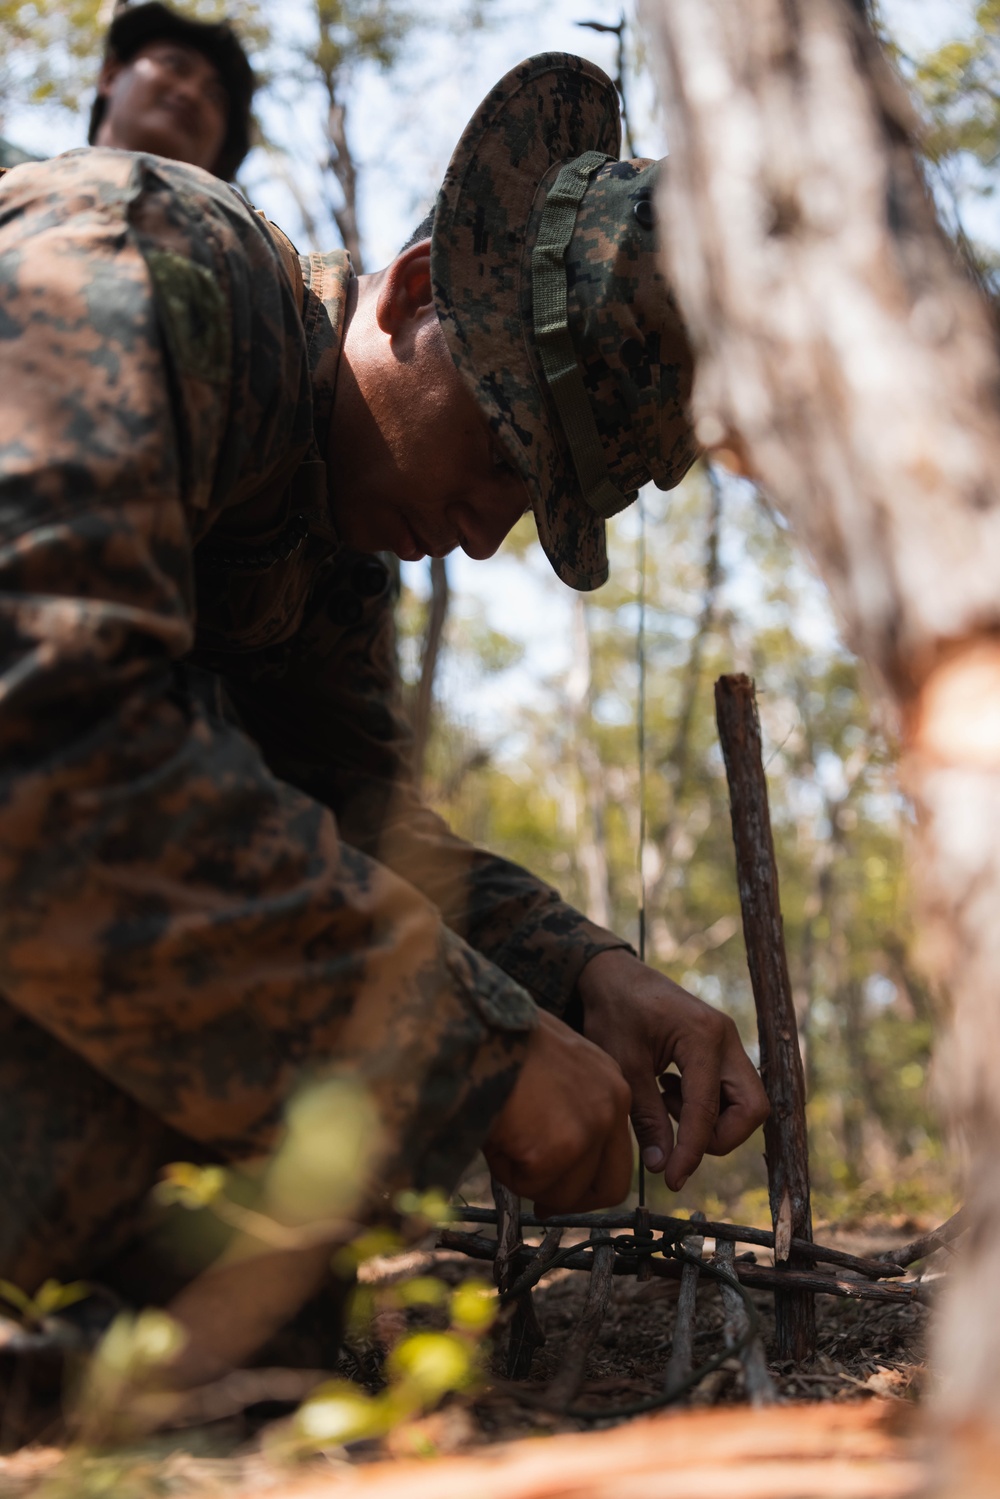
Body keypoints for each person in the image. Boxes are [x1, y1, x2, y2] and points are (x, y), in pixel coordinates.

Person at [0, 53, 767, 1349]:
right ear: (412, 290)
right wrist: (472, 1050)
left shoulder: (327, 540)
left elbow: (347, 827)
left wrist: (585, 973)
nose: (477, 538)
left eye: (525, 513)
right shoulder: (159, 264)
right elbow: (41, 732)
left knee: (265, 1245)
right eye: (498, 455)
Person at [87, 1, 254, 180]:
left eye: (215, 96)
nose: (192, 94)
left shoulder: (234, 208)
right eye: (174, 64)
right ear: (111, 76)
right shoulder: (52, 181)